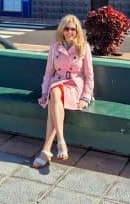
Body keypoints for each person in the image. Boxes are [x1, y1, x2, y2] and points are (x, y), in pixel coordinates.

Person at [32, 14, 94, 168]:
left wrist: (85, 97)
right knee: (54, 94)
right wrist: (44, 93)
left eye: (73, 29)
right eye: (66, 28)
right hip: (57, 82)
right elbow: (48, 72)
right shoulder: (55, 46)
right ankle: (60, 142)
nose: (70, 32)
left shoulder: (83, 46)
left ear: (77, 31)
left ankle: (47, 150)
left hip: (74, 85)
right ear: (62, 29)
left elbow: (89, 74)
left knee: (54, 101)